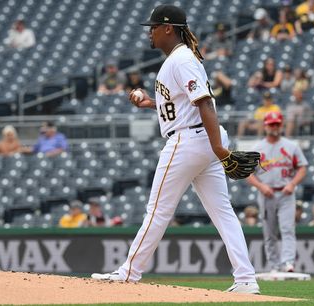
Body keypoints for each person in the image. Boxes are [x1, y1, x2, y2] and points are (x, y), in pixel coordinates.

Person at [91, 5, 260, 294]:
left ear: (168, 28)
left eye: (153, 27)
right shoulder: (179, 59)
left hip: (190, 142)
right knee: (223, 212)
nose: (150, 33)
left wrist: (218, 148)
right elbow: (185, 103)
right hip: (201, 140)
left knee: (157, 210)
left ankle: (129, 272)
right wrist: (149, 103)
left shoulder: (180, 59)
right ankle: (246, 279)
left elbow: (205, 102)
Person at [246, 111, 308, 273]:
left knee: (287, 229)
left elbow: (302, 167)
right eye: (271, 124)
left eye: (277, 124)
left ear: (281, 125)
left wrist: (293, 184)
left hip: (286, 193)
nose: (274, 127)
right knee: (269, 232)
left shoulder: (291, 146)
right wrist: (261, 187)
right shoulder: (257, 148)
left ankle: (288, 263)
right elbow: (247, 173)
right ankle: (274, 265)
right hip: (266, 194)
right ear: (265, 126)